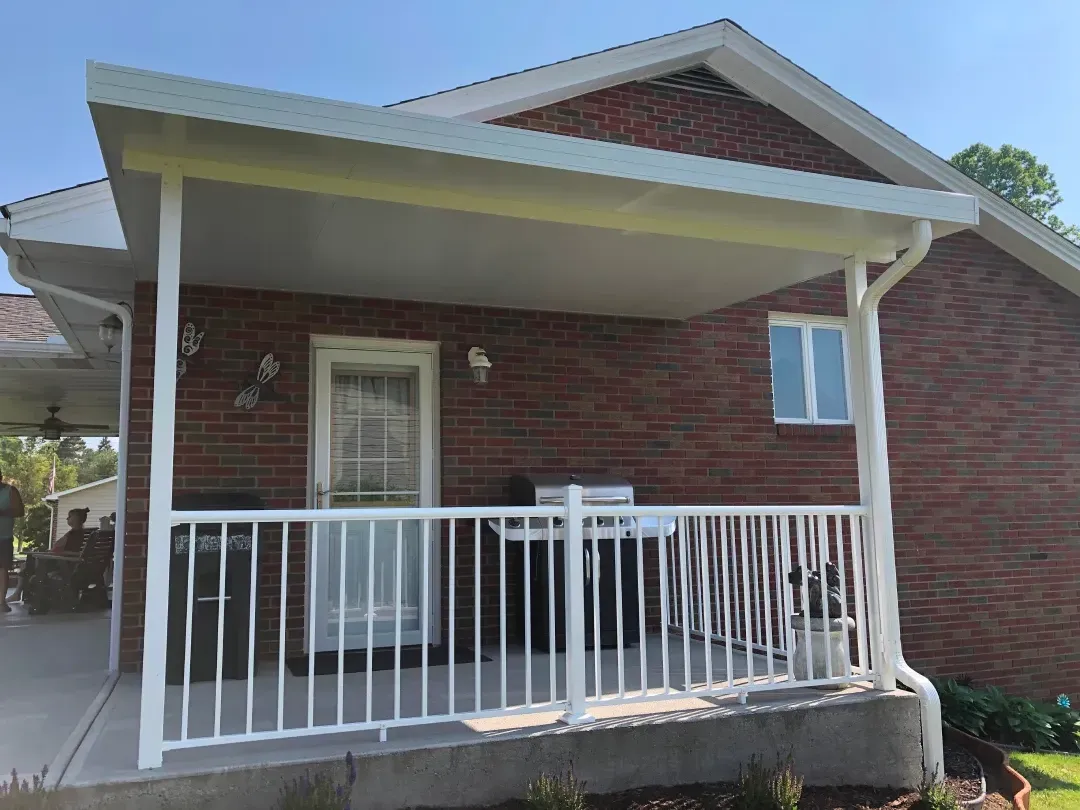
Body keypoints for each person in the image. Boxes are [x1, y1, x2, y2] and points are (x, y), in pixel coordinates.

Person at [10, 507, 88, 606]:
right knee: (27, 565)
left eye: (70, 516)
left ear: (76, 518)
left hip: (61, 564)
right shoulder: (77, 533)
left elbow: (74, 552)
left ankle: (22, 595)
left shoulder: (75, 535)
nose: (67, 519)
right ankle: (21, 594)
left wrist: (57, 553)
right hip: (60, 561)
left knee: (27, 566)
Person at [0, 469, 25, 613]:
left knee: (3, 569)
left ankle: (1, 602)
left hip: (4, 537)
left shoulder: (10, 490)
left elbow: (20, 511)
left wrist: (2, 512)